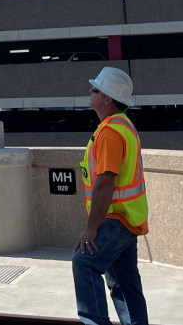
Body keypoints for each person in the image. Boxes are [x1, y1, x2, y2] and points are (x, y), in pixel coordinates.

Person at [74, 67, 150, 325]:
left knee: (84, 263)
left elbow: (104, 184)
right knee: (125, 286)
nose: (90, 91)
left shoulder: (110, 132)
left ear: (107, 97)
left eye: (95, 89)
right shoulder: (124, 126)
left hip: (114, 219)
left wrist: (91, 228)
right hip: (129, 219)